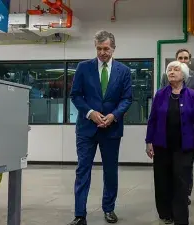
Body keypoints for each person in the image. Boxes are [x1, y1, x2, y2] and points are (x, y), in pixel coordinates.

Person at [68, 30, 132, 225]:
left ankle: (109, 208)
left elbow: (127, 98)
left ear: (113, 48)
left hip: (111, 129)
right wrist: (90, 113)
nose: (103, 52)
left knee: (110, 171)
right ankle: (80, 214)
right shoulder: (83, 68)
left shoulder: (124, 71)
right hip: (87, 129)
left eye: (106, 48)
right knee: (82, 170)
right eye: (99, 48)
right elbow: (76, 95)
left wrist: (113, 116)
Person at [146, 61, 194, 225]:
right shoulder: (160, 94)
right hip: (161, 145)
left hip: (184, 147)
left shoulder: (192, 95)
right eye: (169, 69)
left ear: (184, 75)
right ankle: (165, 213)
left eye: (176, 69)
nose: (172, 72)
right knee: (162, 181)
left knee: (181, 182)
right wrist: (148, 141)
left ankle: (180, 218)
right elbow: (153, 119)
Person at [160, 48, 194, 205]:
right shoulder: (166, 75)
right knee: (171, 164)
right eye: (179, 58)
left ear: (190, 60)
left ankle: (185, 193)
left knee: (186, 165)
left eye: (185, 58)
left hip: (190, 125)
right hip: (171, 126)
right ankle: (172, 193)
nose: (182, 60)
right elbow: (162, 95)